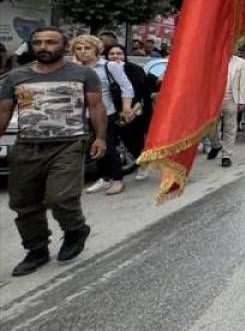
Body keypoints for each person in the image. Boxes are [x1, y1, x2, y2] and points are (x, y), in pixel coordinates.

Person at [1, 28, 105, 276]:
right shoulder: (15, 77)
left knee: (60, 198)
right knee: (24, 203)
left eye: (50, 42)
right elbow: (4, 112)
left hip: (68, 144)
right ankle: (36, 249)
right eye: (37, 43)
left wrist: (100, 137)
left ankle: (75, 230)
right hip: (27, 145)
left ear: (64, 45)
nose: (43, 47)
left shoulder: (84, 74)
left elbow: (96, 107)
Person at [72, 34, 134, 196]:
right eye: (78, 49)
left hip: (105, 113)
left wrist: (126, 108)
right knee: (92, 148)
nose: (83, 52)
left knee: (107, 147)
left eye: (87, 48)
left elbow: (126, 87)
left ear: (96, 50)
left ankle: (117, 180)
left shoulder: (110, 66)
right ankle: (104, 178)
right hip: (80, 114)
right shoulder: (73, 69)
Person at [105, 43, 152, 181]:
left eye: (119, 53)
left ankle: (143, 165)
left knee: (134, 140)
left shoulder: (134, 69)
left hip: (134, 110)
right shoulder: (104, 70)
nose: (115, 56)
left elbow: (142, 91)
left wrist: (132, 110)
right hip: (111, 111)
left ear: (124, 55)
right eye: (112, 54)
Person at [206, 51, 245, 168]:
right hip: (214, 100)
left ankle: (226, 156)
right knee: (210, 127)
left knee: (230, 128)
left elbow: (243, 83)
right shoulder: (212, 60)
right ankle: (216, 145)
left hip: (232, 99)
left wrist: (242, 101)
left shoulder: (241, 62)